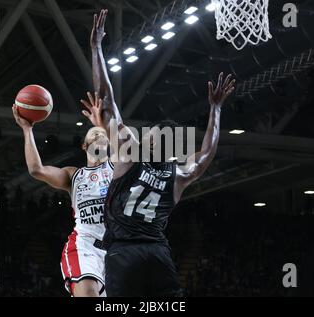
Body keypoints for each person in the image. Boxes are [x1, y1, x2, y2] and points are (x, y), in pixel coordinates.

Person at [85, 9, 235, 296]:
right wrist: (215, 110)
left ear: (152, 142)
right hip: (157, 255)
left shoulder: (129, 155)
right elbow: (206, 155)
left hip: (123, 254)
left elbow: (105, 100)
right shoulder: (177, 174)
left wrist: (96, 48)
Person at [12, 103, 113, 297]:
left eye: (102, 135)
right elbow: (36, 170)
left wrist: (103, 124)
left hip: (116, 250)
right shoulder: (73, 175)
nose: (99, 135)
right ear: (85, 146)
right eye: (94, 134)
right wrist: (27, 129)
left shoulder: (117, 169)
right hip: (84, 246)